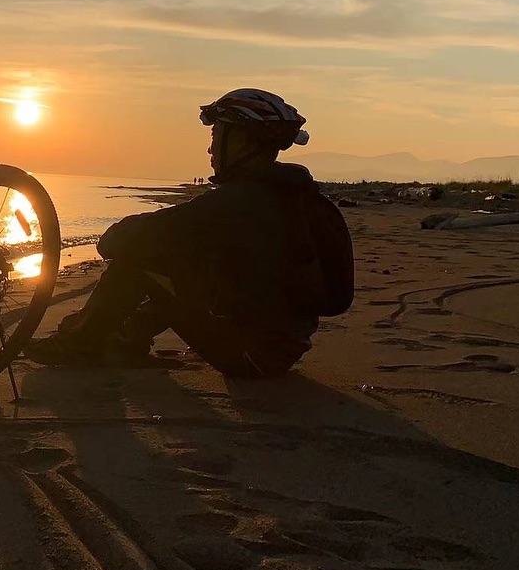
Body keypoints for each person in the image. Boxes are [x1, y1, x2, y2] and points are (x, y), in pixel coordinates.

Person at [24, 89, 354, 377]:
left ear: (240, 141)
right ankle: (126, 339)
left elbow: (121, 241)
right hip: (281, 349)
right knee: (177, 257)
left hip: (249, 354)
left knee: (137, 260)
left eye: (216, 136)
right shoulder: (293, 197)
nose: (211, 150)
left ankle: (79, 344)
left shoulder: (236, 202)